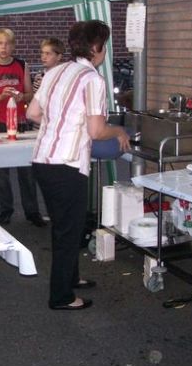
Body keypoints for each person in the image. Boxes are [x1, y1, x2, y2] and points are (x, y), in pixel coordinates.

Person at [27, 20, 130, 311]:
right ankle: (61, 296)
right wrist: (118, 131)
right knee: (67, 229)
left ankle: (71, 277)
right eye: (104, 46)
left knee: (65, 225)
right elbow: (97, 131)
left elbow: (33, 113)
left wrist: (59, 124)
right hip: (67, 165)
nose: (104, 52)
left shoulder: (55, 71)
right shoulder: (93, 79)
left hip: (42, 159)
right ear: (96, 47)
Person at [0, 28, 46, 227]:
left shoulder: (21, 65)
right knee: (1, 170)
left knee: (26, 168)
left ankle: (32, 211)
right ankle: (5, 210)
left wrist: (20, 97)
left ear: (13, 46)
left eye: (8, 43)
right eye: (0, 43)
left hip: (19, 121)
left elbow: (29, 94)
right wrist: (0, 96)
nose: (4, 47)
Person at [30, 37, 65, 130]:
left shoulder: (64, 77)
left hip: (58, 126)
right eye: (42, 53)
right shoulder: (39, 76)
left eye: (48, 54)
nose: (44, 57)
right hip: (39, 126)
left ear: (59, 56)